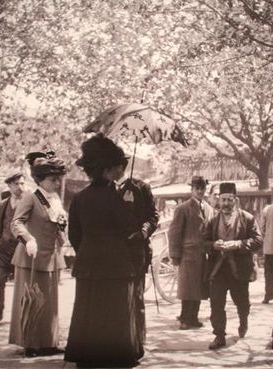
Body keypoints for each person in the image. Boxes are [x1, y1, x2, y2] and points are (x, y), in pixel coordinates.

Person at [65, 134, 141, 368]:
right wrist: (129, 203)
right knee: (115, 314)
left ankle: (87, 356)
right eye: (119, 167)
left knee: (88, 312)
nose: (121, 171)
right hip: (116, 265)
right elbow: (130, 229)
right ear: (107, 169)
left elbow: (74, 235)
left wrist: (88, 251)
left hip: (88, 264)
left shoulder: (79, 198)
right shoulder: (118, 196)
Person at [9, 156, 67, 358]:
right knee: (31, 300)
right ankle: (30, 343)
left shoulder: (56, 200)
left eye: (58, 179)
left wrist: (64, 238)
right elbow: (16, 222)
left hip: (51, 257)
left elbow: (58, 226)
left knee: (50, 303)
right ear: (41, 179)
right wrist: (27, 239)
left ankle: (49, 342)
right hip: (31, 256)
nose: (57, 183)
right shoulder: (30, 197)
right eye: (53, 179)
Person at [202, 182, 262, 349]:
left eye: (229, 200)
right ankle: (219, 335)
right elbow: (203, 242)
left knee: (242, 302)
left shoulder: (247, 219)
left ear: (236, 199)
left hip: (239, 269)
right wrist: (214, 245)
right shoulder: (212, 220)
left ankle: (244, 321)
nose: (226, 204)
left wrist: (237, 244)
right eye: (223, 200)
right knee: (216, 302)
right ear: (218, 200)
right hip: (218, 269)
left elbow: (258, 241)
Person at [116, 168, 159, 355]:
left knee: (137, 296)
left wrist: (143, 231)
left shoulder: (142, 187)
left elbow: (153, 216)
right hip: (114, 251)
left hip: (136, 251)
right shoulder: (108, 189)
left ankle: (138, 339)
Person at [168, 175, 214, 329]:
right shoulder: (183, 208)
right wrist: (175, 255)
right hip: (188, 254)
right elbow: (174, 233)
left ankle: (194, 318)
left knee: (199, 288)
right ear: (192, 189)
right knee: (188, 288)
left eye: (203, 188)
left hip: (203, 255)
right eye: (197, 188)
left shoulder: (209, 209)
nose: (200, 191)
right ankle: (185, 319)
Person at [0, 171, 25, 327]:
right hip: (4, 250)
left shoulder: (28, 202)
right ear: (10, 185)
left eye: (22, 183)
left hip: (22, 250)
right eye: (17, 184)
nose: (20, 187)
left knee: (23, 284)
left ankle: (22, 314)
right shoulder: (3, 205)